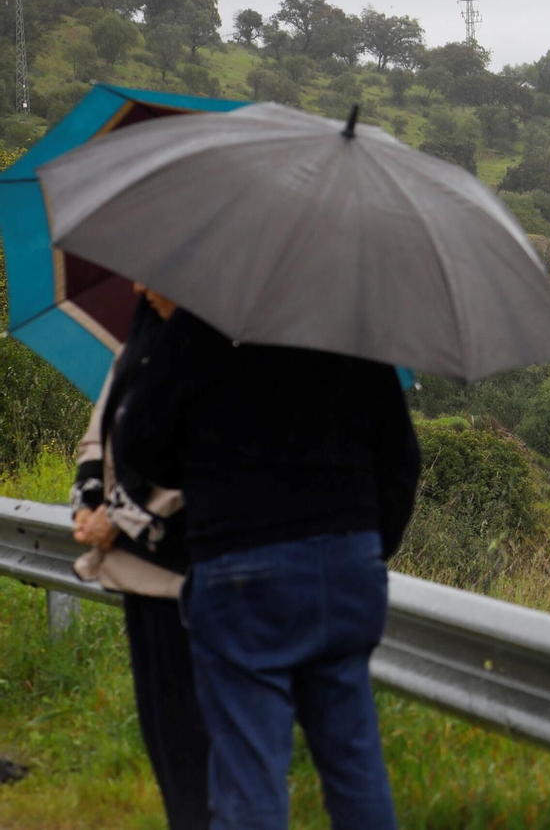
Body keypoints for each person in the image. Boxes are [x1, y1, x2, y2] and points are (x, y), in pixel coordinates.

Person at [114, 306, 421, 830]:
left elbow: (138, 443)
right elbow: (401, 460)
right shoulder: (351, 329)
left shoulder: (203, 321)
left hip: (243, 565)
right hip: (347, 565)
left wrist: (202, 471)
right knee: (355, 766)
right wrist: (369, 546)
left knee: (249, 773)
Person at [71, 283, 209, 829]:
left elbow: (193, 452)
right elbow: (102, 424)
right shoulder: (145, 331)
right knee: (162, 728)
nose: (137, 285)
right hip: (132, 566)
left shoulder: (214, 343)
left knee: (193, 731)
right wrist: (87, 500)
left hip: (185, 568)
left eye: (153, 276)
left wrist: (118, 515)